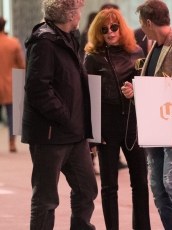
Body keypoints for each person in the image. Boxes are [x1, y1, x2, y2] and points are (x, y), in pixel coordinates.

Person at [121, 1, 172, 230]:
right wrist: (135, 93)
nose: (141, 30)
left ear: (148, 22)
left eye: (141, 24)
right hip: (155, 130)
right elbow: (158, 91)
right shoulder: (154, 48)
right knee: (157, 188)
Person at [21, 0, 98, 229]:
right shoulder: (44, 42)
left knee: (87, 189)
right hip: (50, 135)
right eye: (79, 12)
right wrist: (64, 115)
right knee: (46, 199)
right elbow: (38, 89)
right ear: (71, 15)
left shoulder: (68, 38)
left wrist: (82, 124)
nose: (80, 16)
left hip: (75, 134)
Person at [84, 8, 151, 230]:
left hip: (132, 124)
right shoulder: (93, 57)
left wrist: (136, 91)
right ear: (99, 32)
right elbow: (88, 98)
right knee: (109, 187)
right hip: (106, 127)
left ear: (121, 28)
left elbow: (148, 87)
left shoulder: (136, 52)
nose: (110, 32)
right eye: (105, 29)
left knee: (140, 182)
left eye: (114, 27)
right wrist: (93, 136)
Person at [0, 16, 25, 152]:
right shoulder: (13, 43)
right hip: (10, 83)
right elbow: (21, 64)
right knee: (12, 115)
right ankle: (11, 142)